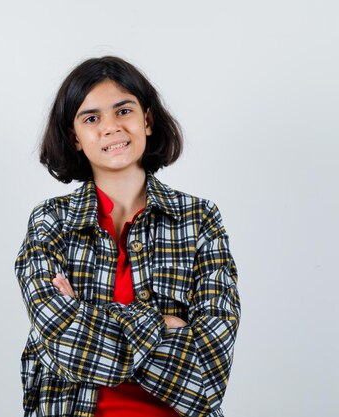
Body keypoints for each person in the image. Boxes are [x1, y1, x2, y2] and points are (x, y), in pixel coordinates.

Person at [14, 56, 241, 417]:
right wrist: (165, 323)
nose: (111, 127)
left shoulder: (199, 219)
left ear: (147, 120)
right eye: (92, 118)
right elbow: (60, 340)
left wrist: (87, 315)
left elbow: (209, 366)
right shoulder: (50, 221)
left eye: (123, 111)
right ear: (75, 137)